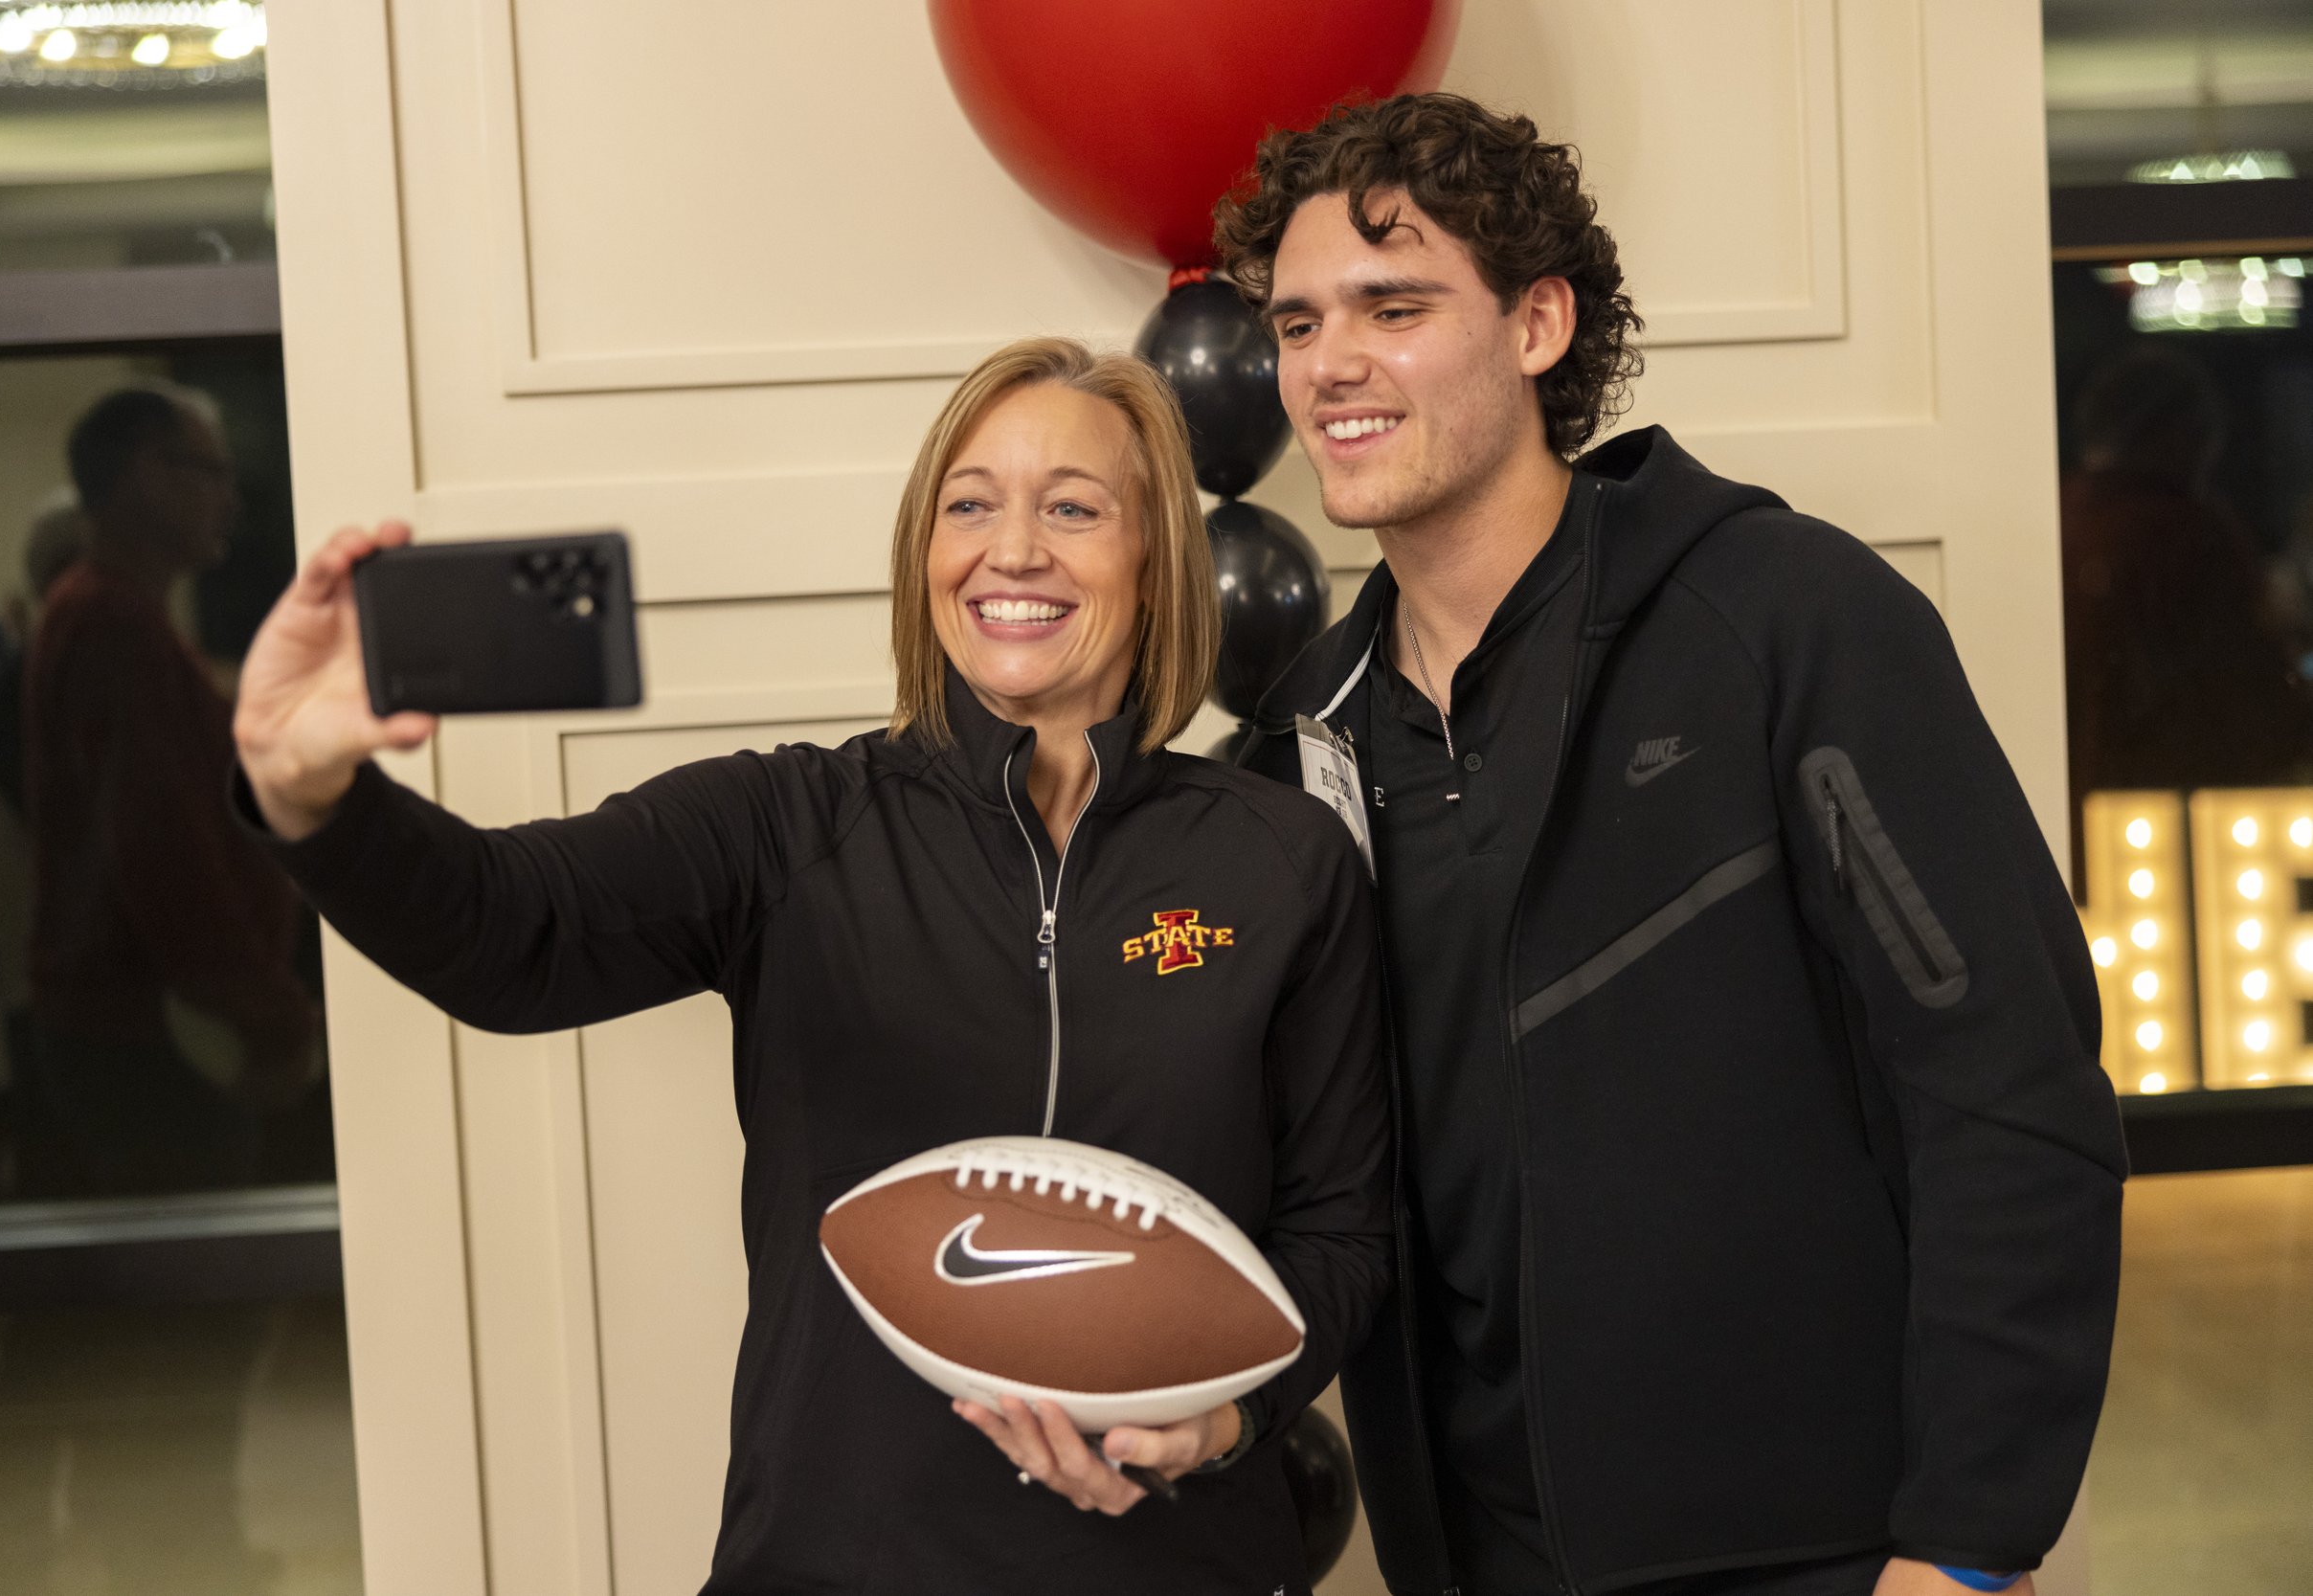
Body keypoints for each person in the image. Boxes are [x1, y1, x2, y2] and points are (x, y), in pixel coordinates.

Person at [230, 338, 1390, 1595]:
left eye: (1073, 505)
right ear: (924, 554)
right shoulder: (787, 825)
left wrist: (1224, 1417)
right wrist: (311, 795)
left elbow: (1343, 1228)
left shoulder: (1283, 857)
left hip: (1184, 1563)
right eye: (969, 503)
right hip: (837, 1560)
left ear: (1157, 559)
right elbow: (509, 933)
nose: (1013, 549)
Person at [1218, 95, 2125, 1596]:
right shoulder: (1303, 737)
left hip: (1824, 1550)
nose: (1332, 365)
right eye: (1299, 322)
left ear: (1537, 322)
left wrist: (1968, 1541)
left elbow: (2009, 1088)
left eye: (1395, 306)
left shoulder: (1786, 618)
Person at [25, 385, 316, 1191]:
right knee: (215, 1300)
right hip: (160, 1034)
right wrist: (271, 1015)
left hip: (158, 1026)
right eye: (210, 472)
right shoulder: (110, 621)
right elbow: (164, 851)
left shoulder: (112, 614)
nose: (230, 497)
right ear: (145, 474)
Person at [2057, 346, 2313, 885]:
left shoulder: (2055, 520)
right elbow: (2252, 705)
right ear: (2175, 433)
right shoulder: (2189, 536)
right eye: (2203, 434)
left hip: (2069, 826)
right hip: (2181, 832)